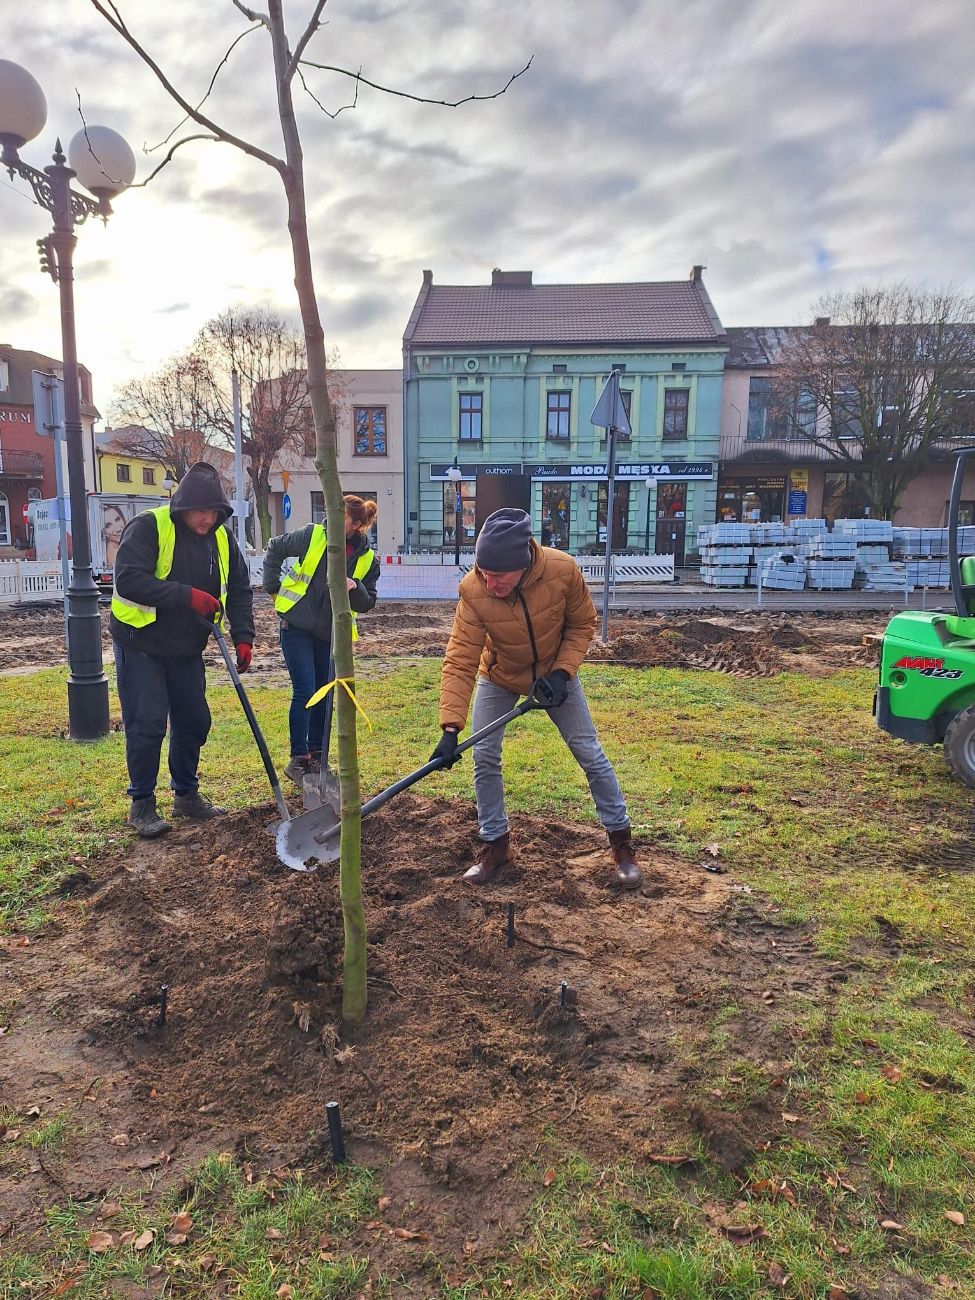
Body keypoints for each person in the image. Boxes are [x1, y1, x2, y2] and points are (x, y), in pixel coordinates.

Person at [431, 507, 642, 889]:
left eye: (498, 576)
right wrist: (450, 729)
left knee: (589, 753)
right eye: (483, 572)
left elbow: (583, 623)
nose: (489, 582)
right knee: (484, 756)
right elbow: (461, 657)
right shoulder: (474, 590)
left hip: (554, 676)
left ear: (523, 563)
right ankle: (496, 847)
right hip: (500, 676)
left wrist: (562, 673)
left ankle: (622, 846)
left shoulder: (562, 571)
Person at [110, 461, 255, 838]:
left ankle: (186, 795)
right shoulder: (149, 527)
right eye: (201, 511)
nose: (208, 519)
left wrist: (244, 635)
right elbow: (128, 580)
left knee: (194, 720)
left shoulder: (222, 539)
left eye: (215, 512)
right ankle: (142, 804)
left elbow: (239, 587)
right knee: (148, 723)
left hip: (186, 647)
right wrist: (186, 596)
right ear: (183, 505)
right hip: (141, 643)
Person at [263, 495, 380, 784]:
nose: (333, 520)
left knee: (324, 694)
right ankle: (298, 759)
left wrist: (356, 587)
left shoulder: (367, 559)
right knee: (305, 691)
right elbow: (275, 547)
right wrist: (272, 586)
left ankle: (318, 756)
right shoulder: (313, 535)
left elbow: (368, 603)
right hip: (297, 626)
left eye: (342, 518)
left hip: (330, 635)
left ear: (357, 525)